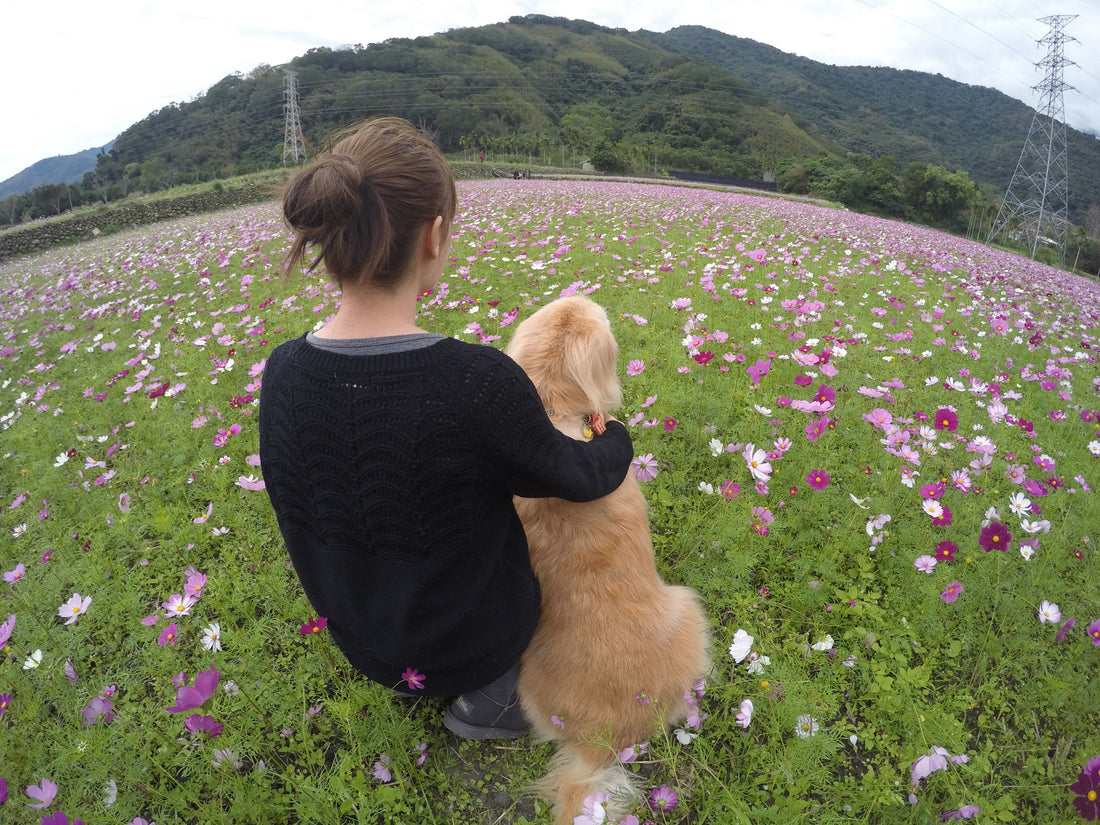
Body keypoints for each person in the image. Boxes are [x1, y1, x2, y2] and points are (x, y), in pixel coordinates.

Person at [258, 117, 634, 740]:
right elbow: (575, 477)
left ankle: (424, 679)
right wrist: (613, 434)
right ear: (433, 237)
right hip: (469, 643)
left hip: (363, 641)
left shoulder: (283, 372)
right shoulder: (473, 380)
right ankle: (490, 700)